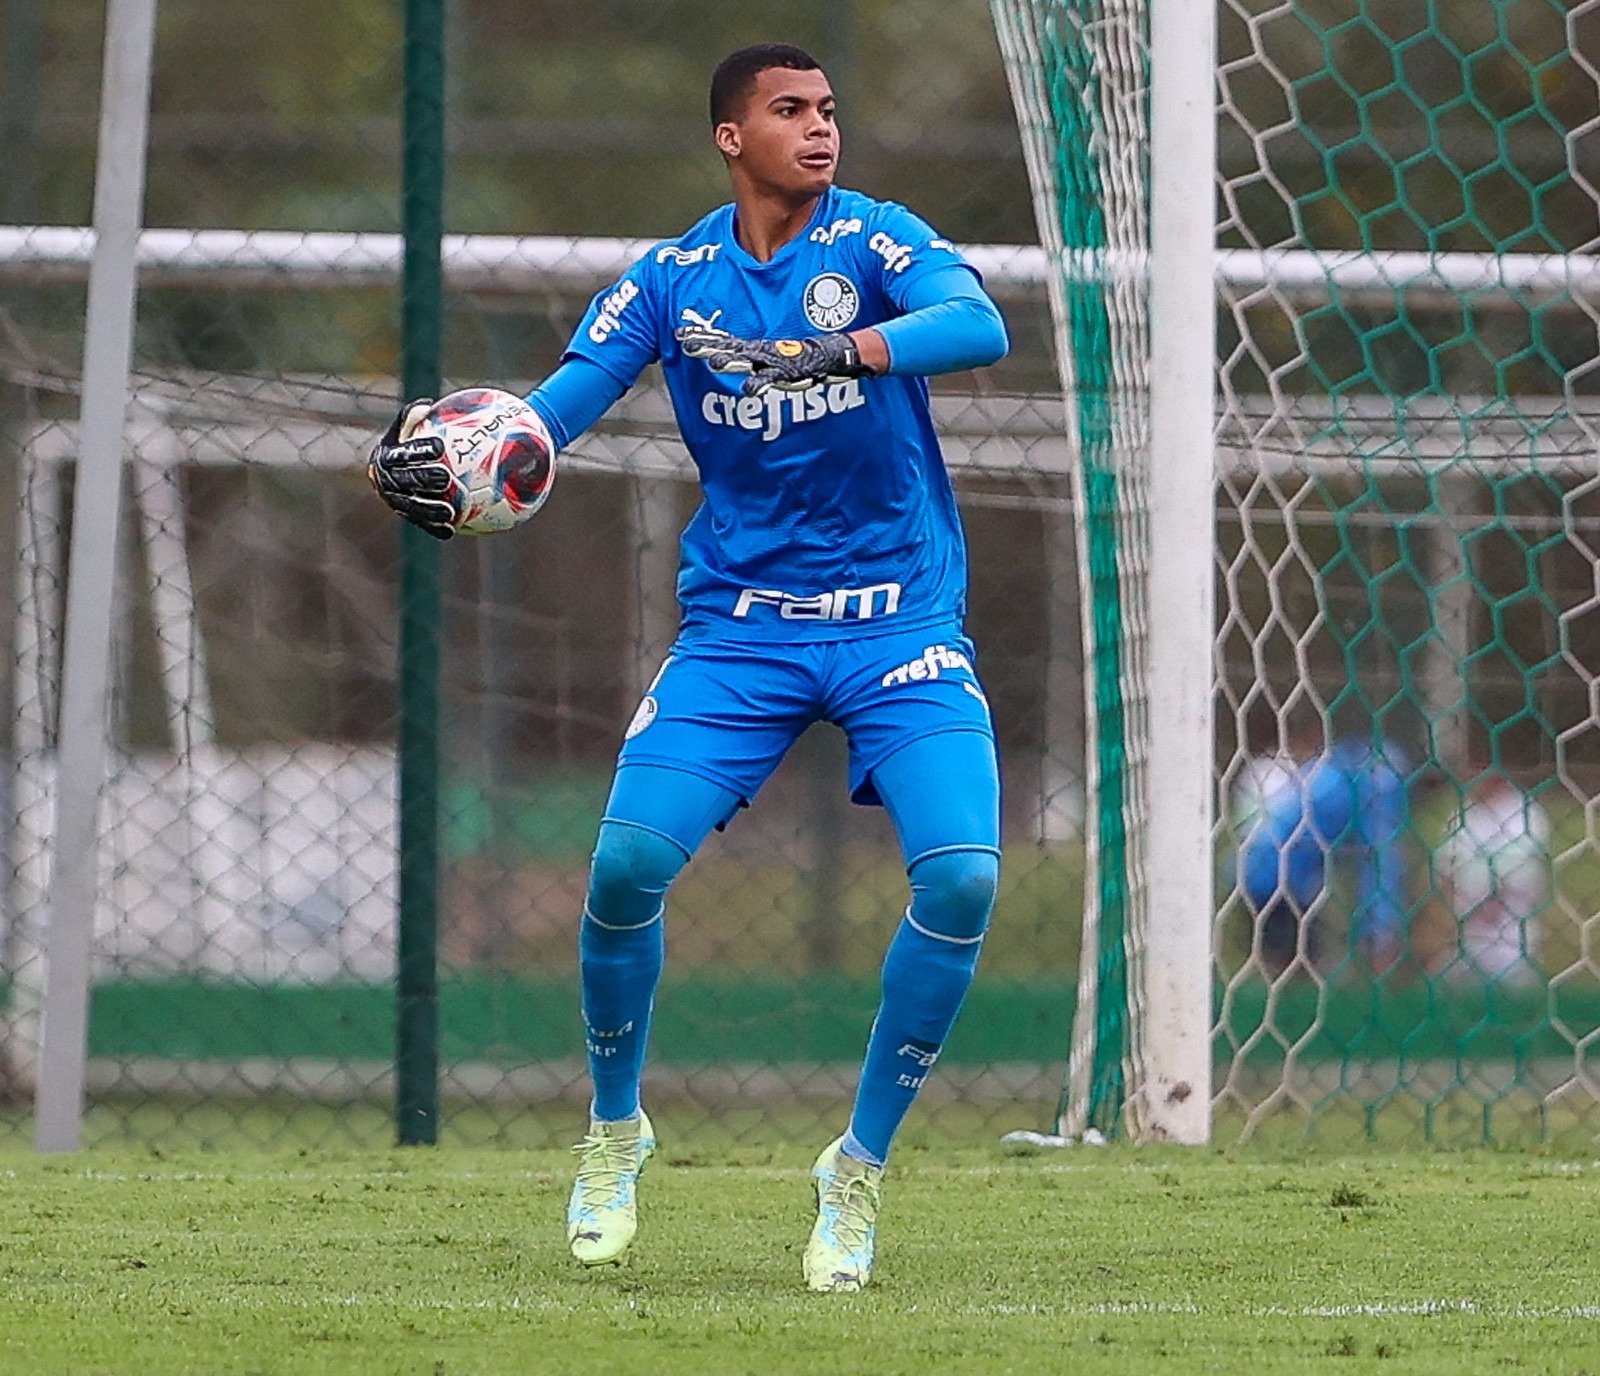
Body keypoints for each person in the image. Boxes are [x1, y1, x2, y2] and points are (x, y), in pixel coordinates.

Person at [368, 43, 1009, 1292]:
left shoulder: (875, 244)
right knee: (624, 860)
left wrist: (849, 353)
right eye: (789, 112)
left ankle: (856, 1168)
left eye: (827, 110)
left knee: (967, 881)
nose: (819, 130)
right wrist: (479, 458)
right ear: (731, 137)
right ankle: (615, 1131)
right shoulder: (672, 281)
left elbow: (977, 321)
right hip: (745, 628)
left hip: (900, 623)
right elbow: (564, 403)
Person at [1235, 736, 1411, 976]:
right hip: (1280, 877)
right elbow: (1380, 863)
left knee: (1293, 959)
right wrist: (1382, 934)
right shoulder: (1379, 785)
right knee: (1296, 966)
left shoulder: (1337, 771)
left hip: (1261, 867)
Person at [1435, 772, 1551, 985]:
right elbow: (1445, 867)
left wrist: (1491, 898)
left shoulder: (1523, 811)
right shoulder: (1465, 814)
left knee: (1514, 989)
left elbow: (1523, 869)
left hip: (1511, 924)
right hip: (1467, 926)